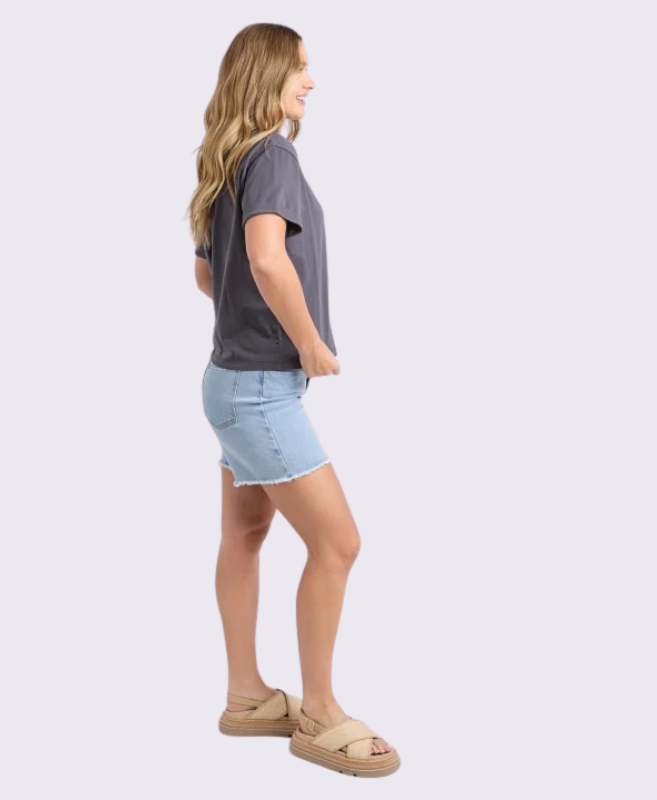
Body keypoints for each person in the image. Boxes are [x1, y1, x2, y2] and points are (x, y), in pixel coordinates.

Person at [187, 23, 399, 778]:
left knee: (244, 535)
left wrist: (253, 321)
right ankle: (320, 712)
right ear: (267, 73)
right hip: (260, 391)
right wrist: (307, 341)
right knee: (338, 544)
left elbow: (209, 274)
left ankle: (247, 696)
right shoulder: (273, 155)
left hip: (228, 381)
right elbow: (267, 259)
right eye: (299, 67)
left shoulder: (227, 159)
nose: (309, 81)